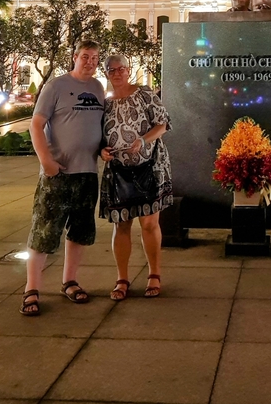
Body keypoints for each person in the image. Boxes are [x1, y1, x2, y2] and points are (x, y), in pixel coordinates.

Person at [21, 39, 104, 316]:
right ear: (74, 57)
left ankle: (69, 281)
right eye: (85, 57)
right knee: (44, 231)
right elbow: (36, 124)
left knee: (79, 232)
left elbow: (98, 126)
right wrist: (46, 161)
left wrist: (103, 148)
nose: (90, 62)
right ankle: (31, 289)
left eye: (94, 58)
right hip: (58, 173)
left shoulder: (97, 88)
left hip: (87, 173)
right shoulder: (55, 86)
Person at [99, 55, 173, 300]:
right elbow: (99, 137)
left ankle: (154, 274)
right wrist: (103, 150)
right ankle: (122, 278)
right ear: (107, 73)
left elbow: (163, 124)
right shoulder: (105, 103)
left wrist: (143, 140)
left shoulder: (144, 94)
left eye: (121, 69)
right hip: (119, 171)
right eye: (112, 70)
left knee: (149, 223)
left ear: (128, 71)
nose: (117, 73)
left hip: (149, 167)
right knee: (121, 224)